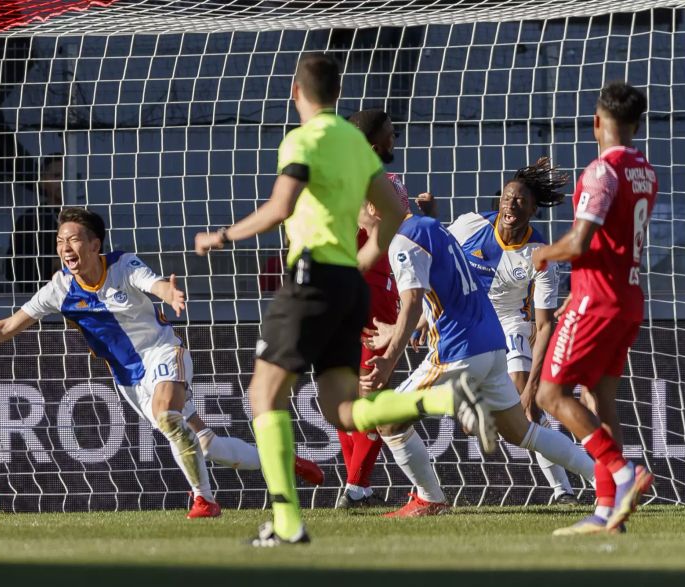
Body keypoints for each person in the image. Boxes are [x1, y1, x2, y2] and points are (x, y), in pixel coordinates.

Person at [194, 52, 492, 546]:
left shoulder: (304, 138)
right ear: (337, 93)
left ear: (296, 92)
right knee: (343, 410)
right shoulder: (356, 143)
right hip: (349, 287)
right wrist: (363, 260)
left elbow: (280, 207)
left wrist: (221, 237)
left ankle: (287, 523)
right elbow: (396, 213)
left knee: (264, 395)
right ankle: (447, 397)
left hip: (311, 281)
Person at [0, 207, 324, 520]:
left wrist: (168, 293)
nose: (65, 249)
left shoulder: (123, 265)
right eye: (60, 242)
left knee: (168, 417)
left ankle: (205, 501)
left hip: (165, 353)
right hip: (129, 380)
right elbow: (10, 325)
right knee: (206, 444)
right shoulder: (60, 288)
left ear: (95, 245)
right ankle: (280, 460)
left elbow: (154, 282)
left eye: (73, 240)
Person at [362, 213, 595, 516]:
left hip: (459, 350)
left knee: (387, 418)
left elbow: (412, 301)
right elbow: (442, 293)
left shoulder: (404, 241)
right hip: (492, 344)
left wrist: (389, 358)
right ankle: (606, 480)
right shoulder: (433, 227)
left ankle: (430, 498)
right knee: (522, 431)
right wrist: (398, 331)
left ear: (373, 208)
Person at [533, 81, 657, 535]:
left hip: (596, 299)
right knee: (600, 399)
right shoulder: (645, 169)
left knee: (551, 395)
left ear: (596, 123)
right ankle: (608, 513)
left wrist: (544, 253)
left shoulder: (602, 171)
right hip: (629, 299)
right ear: (637, 124)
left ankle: (624, 474)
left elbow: (581, 243)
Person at [447, 157, 586, 505]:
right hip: (464, 326)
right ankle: (425, 493)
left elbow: (543, 325)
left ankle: (564, 492)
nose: (511, 203)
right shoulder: (469, 225)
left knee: (526, 414)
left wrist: (532, 390)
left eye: (520, 200)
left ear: (533, 209)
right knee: (442, 408)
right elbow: (436, 256)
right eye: (508, 197)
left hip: (509, 327)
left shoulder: (539, 255)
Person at [335, 108, 410, 510]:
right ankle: (356, 487)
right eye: (391, 134)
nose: (394, 141)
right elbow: (408, 231)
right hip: (374, 291)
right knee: (368, 393)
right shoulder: (386, 184)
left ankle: (356, 486)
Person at [6, 155, 64, 292]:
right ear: (43, 181)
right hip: (38, 297)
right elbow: (13, 267)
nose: (63, 181)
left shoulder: (87, 219)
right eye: (57, 175)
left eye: (68, 174)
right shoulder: (29, 220)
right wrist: (50, 265)